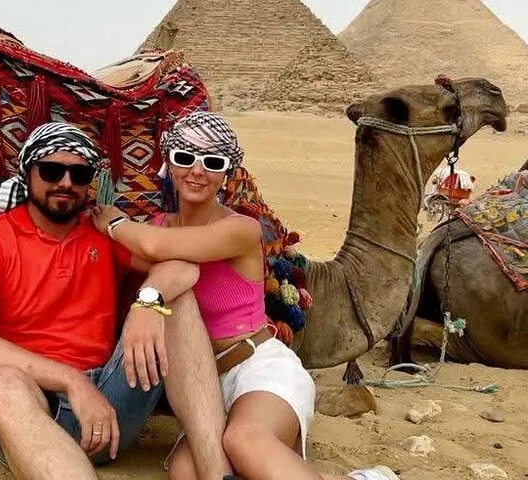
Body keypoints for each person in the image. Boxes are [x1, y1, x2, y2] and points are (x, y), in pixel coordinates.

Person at [92, 111, 401, 480]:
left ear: (227, 173)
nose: (197, 171)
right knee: (184, 472)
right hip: (205, 384)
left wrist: (113, 222)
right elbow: (144, 256)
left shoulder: (239, 230)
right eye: (185, 158)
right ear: (169, 164)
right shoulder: (158, 228)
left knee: (245, 440)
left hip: (259, 368)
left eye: (213, 162)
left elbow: (152, 247)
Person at [0, 122, 238, 480]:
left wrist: (146, 303)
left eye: (79, 174)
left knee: (174, 301)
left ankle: (217, 473)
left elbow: (182, 267)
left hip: (109, 406)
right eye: (51, 171)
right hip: (30, 407)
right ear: (28, 173)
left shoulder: (102, 233)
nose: (66, 183)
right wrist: (71, 381)